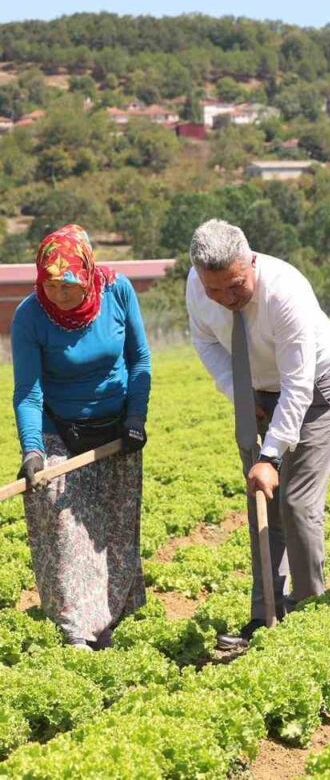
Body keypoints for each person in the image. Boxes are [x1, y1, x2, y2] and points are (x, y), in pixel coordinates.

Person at [186, 219, 330, 649]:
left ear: (251, 262)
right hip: (256, 388)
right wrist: (238, 391)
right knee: (262, 500)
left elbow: (298, 385)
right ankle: (266, 616)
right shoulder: (198, 283)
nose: (225, 299)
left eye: (235, 286)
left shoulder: (285, 292)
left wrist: (271, 455)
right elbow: (205, 342)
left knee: (295, 502)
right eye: (214, 290)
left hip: (318, 386)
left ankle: (312, 617)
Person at [11, 224, 151, 650]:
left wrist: (135, 418)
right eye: (51, 285)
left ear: (88, 274)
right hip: (59, 429)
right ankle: (76, 627)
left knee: (114, 527)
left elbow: (139, 358)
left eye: (70, 284)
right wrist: (33, 449)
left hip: (116, 427)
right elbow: (28, 392)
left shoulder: (118, 293)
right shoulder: (30, 316)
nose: (61, 294)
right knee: (61, 526)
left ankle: (116, 617)